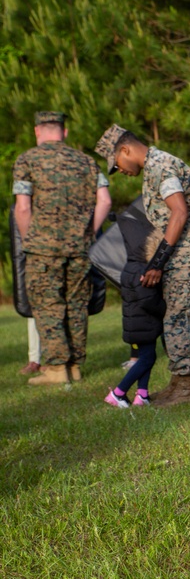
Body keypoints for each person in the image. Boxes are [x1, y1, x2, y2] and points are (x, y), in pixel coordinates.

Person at [94, 124, 190, 407]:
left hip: (189, 252)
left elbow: (179, 212)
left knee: (178, 318)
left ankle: (186, 388)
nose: (118, 170)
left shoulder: (160, 165)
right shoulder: (156, 166)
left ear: (125, 149)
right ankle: (178, 384)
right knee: (178, 317)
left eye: (116, 164)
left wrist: (157, 262)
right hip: (185, 252)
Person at [13, 111, 112, 385]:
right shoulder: (87, 162)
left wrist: (28, 241)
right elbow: (104, 201)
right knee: (77, 304)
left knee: (48, 304)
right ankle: (75, 366)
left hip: (42, 249)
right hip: (80, 248)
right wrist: (88, 233)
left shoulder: (27, 159)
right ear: (64, 132)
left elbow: (22, 207)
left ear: (37, 132)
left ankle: (57, 368)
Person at [104, 224, 166, 408]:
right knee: (147, 358)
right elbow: (148, 301)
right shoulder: (143, 272)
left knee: (148, 356)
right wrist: (165, 307)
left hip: (137, 324)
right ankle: (118, 393)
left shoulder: (130, 267)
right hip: (144, 323)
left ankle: (142, 395)